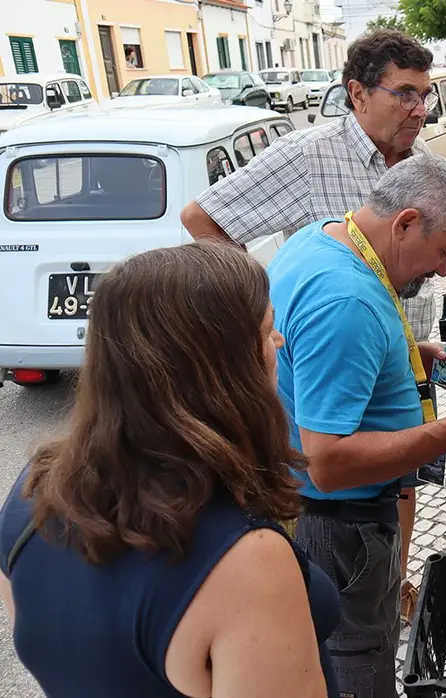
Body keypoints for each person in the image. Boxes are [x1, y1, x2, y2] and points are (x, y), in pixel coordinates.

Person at [181, 27, 443, 621]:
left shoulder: (417, 164)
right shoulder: (307, 156)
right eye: (404, 93)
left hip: (397, 343)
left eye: (424, 95)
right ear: (357, 94)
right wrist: (256, 311)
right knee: (335, 481)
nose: (419, 109)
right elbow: (203, 218)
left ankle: (392, 580)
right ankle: (338, 603)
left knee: (398, 476)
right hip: (328, 356)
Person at [0, 243, 340, 698]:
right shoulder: (246, 560)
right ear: (221, 371)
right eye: (266, 330)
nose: (278, 342)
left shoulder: (33, 489)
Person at [269, 150, 446, 698]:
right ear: (405, 222)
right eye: (443, 252)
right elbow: (328, 465)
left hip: (319, 520)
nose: (444, 269)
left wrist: (406, 354)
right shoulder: (347, 300)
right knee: (358, 669)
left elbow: (314, 353)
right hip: (342, 529)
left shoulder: (320, 241)